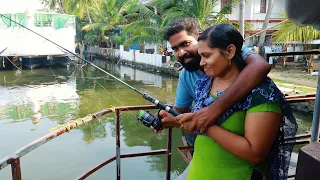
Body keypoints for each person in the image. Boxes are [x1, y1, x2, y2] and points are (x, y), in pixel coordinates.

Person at [180, 24, 297, 180]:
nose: (201, 63)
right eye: (201, 56)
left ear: (229, 51)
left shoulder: (261, 92)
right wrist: (174, 121)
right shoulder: (205, 82)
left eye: (207, 56)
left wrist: (205, 126)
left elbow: (255, 154)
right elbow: (199, 125)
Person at [156, 18, 271, 147]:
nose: (181, 53)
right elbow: (180, 111)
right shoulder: (186, 75)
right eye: (175, 49)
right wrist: (166, 117)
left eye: (185, 44)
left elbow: (260, 66)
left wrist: (214, 110)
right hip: (208, 144)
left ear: (199, 38)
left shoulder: (227, 48)